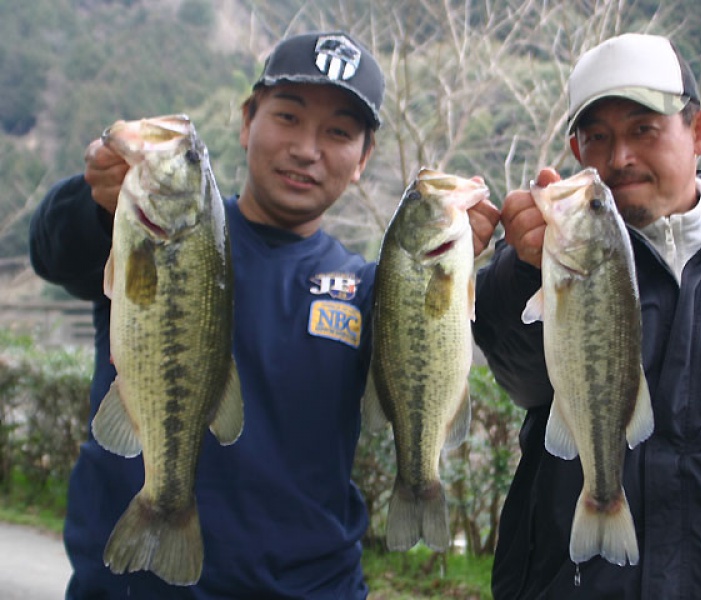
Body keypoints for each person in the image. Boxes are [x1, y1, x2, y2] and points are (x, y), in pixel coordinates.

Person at [29, 30, 499, 599]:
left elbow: (442, 344)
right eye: (288, 117)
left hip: (313, 588)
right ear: (247, 120)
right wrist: (93, 199)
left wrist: (463, 263)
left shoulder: (371, 290)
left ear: (362, 160)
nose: (307, 148)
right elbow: (55, 250)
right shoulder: (153, 230)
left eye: (338, 133)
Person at [472, 32, 701, 599]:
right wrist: (524, 269)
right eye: (597, 137)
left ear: (699, 133)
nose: (619, 157)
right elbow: (523, 377)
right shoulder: (548, 257)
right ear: (578, 153)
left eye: (643, 129)